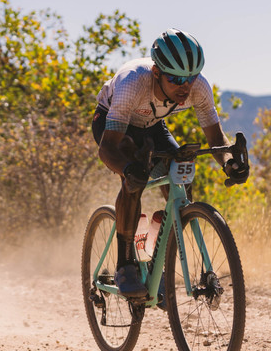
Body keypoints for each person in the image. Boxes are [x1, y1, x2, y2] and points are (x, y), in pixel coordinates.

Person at [92, 28, 249, 298]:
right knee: (135, 178)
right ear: (156, 73)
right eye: (175, 79)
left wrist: (229, 163)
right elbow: (108, 149)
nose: (184, 87)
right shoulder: (133, 82)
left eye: (190, 78)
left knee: (182, 184)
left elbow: (215, 138)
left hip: (153, 125)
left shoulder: (197, 88)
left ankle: (156, 260)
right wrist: (128, 170)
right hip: (115, 127)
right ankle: (125, 265)